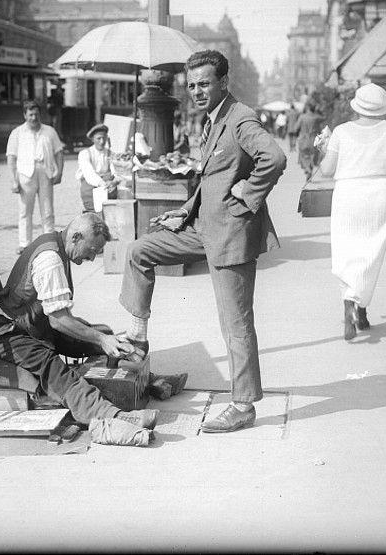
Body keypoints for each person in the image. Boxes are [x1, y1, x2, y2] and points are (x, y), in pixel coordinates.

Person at [119, 49, 287, 433]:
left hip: (231, 237)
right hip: (202, 229)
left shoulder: (240, 118)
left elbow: (274, 158)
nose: (196, 91)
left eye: (204, 83)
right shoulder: (213, 120)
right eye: (191, 85)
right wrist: (184, 210)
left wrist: (247, 195)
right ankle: (138, 336)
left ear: (223, 83)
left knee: (236, 324)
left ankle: (243, 405)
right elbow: (213, 179)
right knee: (139, 250)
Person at [0, 214, 163, 445]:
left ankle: (142, 380)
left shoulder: (60, 246)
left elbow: (59, 317)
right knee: (54, 366)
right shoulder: (50, 260)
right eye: (92, 250)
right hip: (6, 333)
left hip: (33, 326)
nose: (92, 257)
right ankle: (114, 415)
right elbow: (59, 321)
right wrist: (101, 339)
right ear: (76, 237)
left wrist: (103, 338)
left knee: (101, 334)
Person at [315, 83, 386, 341]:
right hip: (381, 192)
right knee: (371, 253)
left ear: (356, 105)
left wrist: (324, 149)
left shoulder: (341, 131)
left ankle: (350, 305)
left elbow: (326, 170)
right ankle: (361, 310)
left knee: (347, 251)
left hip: (348, 193)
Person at [7, 101, 64, 254]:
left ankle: (49, 241)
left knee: (47, 209)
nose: (34, 117)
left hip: (45, 172)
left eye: (36, 114)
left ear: (40, 115)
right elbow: (11, 157)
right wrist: (14, 180)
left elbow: (59, 152)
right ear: (25, 115)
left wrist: (59, 172)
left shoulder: (49, 131)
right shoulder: (17, 133)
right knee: (25, 210)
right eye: (30, 114)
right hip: (25, 175)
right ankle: (25, 243)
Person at [75, 123, 121, 213]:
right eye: (98, 138)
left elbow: (117, 172)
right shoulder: (85, 154)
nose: (102, 141)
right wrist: (102, 184)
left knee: (109, 213)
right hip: (90, 192)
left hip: (108, 191)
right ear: (92, 139)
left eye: (104, 138)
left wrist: (114, 182)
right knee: (94, 214)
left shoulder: (111, 154)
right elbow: (89, 173)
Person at [293, 101, 324, 179]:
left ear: (307, 109)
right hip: (314, 140)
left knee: (304, 155)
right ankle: (310, 169)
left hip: (303, 139)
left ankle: (307, 168)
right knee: (313, 155)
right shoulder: (317, 117)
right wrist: (318, 111)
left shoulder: (302, 117)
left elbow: (295, 128)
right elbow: (324, 117)